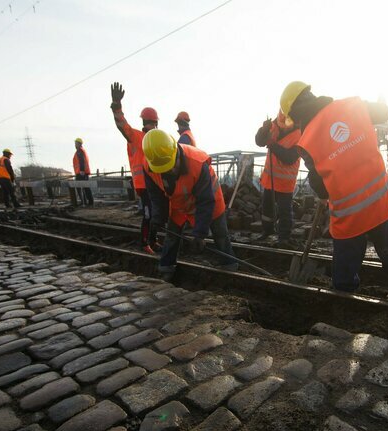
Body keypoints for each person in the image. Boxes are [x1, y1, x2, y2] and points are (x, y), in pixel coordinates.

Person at [280, 81, 388, 298]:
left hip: (348, 210)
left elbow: (317, 182)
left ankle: (344, 297)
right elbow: (384, 112)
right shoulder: (351, 106)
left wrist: (324, 195)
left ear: (295, 112)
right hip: (379, 198)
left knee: (346, 259)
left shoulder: (306, 140)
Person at [142, 129, 237, 281]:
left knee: (220, 235)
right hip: (179, 203)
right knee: (172, 236)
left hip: (210, 200)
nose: (167, 172)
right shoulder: (149, 166)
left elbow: (205, 201)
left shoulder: (197, 163)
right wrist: (157, 220)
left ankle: (230, 266)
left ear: (175, 154)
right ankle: (166, 268)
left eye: (170, 167)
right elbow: (157, 197)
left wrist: (199, 234)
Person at [110, 81, 159, 254]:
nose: (152, 126)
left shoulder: (156, 139)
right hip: (143, 184)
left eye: (154, 123)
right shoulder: (136, 137)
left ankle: (153, 240)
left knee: (155, 214)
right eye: (150, 123)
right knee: (148, 214)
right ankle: (145, 242)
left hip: (154, 183)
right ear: (145, 123)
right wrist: (117, 106)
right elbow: (122, 126)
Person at [254, 110, 301, 246]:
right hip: (270, 178)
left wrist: (272, 145)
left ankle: (284, 237)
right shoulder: (273, 125)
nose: (281, 126)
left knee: (284, 211)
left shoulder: (299, 135)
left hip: (286, 181)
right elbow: (259, 142)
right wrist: (263, 130)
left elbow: (290, 158)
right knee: (267, 208)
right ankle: (267, 231)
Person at [73, 137, 93, 206]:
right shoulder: (82, 150)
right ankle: (89, 202)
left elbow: (81, 161)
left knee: (79, 187)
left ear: (79, 144)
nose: (75, 144)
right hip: (83, 172)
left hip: (81, 172)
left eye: (76, 143)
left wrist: (81, 170)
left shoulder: (80, 151)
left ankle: (84, 202)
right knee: (86, 187)